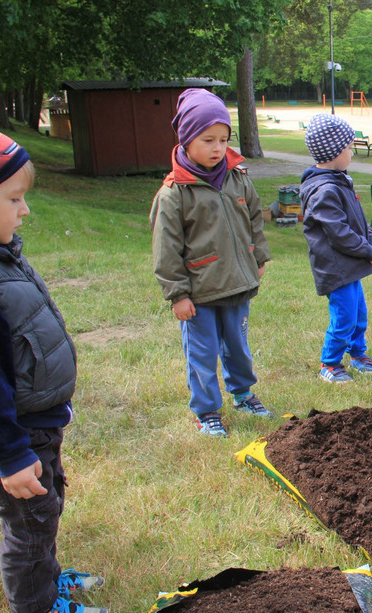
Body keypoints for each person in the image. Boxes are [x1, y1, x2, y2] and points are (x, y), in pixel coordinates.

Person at [0, 116, 109, 613]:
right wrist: (11, 455)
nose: (26, 210)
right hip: (9, 434)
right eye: (14, 199)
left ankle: (50, 582)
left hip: (33, 424)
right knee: (27, 523)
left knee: (45, 510)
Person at [150, 89, 273, 437]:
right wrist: (177, 294)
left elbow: (254, 219)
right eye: (208, 140)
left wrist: (258, 256)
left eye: (223, 139)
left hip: (237, 284)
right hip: (199, 295)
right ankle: (206, 411)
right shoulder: (174, 194)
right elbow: (166, 248)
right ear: (187, 139)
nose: (218, 148)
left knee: (238, 346)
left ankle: (243, 393)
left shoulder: (238, 178)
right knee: (202, 355)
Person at [300, 113, 372, 384]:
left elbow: (357, 221)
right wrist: (368, 251)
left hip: (350, 267)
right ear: (334, 152)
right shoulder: (324, 190)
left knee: (359, 314)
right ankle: (330, 363)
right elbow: (340, 235)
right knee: (344, 317)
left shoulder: (339, 181)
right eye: (348, 148)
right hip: (336, 269)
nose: (351, 153)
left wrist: (371, 241)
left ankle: (358, 354)